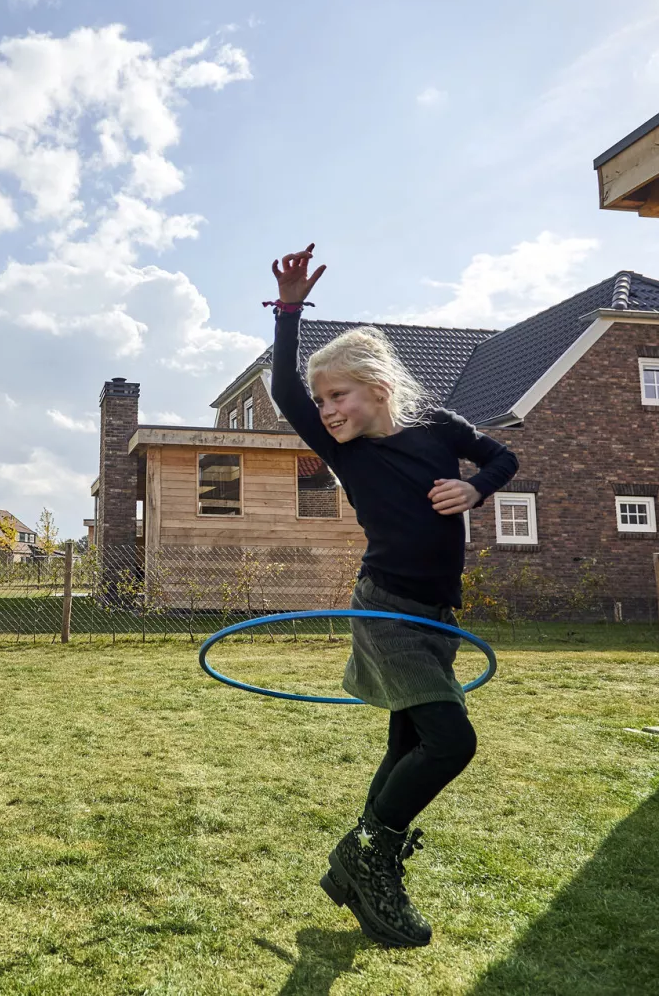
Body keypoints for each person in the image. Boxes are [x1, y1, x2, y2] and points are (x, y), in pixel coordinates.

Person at [265, 243, 517, 948]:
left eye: (337, 395)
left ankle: (365, 861)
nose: (327, 410)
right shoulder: (348, 453)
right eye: (323, 402)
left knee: (408, 741)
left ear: (377, 386)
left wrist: (476, 488)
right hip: (386, 611)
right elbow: (283, 389)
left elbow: (505, 456)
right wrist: (290, 311)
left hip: (438, 617)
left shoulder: (438, 430)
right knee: (450, 740)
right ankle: (371, 853)